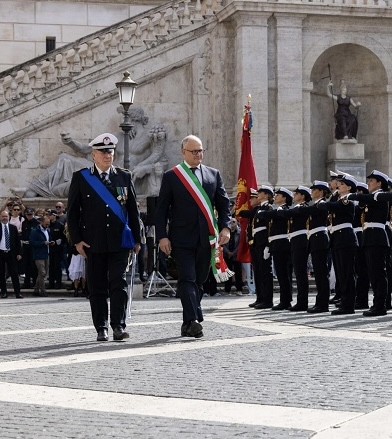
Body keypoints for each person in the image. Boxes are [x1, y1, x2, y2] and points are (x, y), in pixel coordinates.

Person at [155, 134, 231, 338]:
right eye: (194, 151)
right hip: (181, 238)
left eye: (201, 150)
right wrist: (162, 236)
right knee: (187, 278)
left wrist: (226, 228)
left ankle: (188, 322)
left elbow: (224, 205)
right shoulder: (172, 176)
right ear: (183, 153)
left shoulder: (213, 174)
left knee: (199, 280)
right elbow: (161, 209)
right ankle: (194, 320)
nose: (199, 155)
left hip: (207, 238)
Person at [67, 132, 141, 342]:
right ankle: (101, 327)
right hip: (94, 241)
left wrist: (137, 239)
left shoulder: (124, 177)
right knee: (97, 285)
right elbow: (73, 212)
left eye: (110, 151)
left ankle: (118, 325)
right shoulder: (81, 178)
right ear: (93, 155)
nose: (108, 155)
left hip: (120, 241)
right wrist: (77, 240)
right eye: (103, 152)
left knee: (119, 282)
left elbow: (133, 210)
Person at [348, 170, 390, 316]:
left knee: (378, 273)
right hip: (369, 237)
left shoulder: (379, 196)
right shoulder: (372, 197)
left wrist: (353, 195)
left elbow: (367, 198)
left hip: (377, 237)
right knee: (373, 273)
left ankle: (380, 305)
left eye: (372, 181)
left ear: (379, 183)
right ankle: (376, 304)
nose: (368, 183)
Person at [319, 175, 358, 314]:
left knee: (347, 273)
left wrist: (324, 204)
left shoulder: (348, 200)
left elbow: (336, 206)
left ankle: (348, 305)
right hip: (337, 238)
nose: (338, 186)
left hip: (345, 238)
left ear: (348, 187)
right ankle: (344, 302)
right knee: (341, 274)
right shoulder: (339, 199)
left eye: (342, 184)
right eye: (339, 184)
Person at [240, 187, 274, 310]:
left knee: (265, 272)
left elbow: (269, 229)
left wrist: (268, 245)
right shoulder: (259, 209)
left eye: (260, 193)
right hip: (256, 243)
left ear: (266, 195)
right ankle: (260, 298)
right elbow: (244, 214)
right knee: (258, 272)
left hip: (263, 243)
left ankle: (267, 300)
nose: (257, 195)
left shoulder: (268, 209)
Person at [0, 211, 23, 299]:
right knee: (1, 274)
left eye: (6, 216)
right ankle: (4, 293)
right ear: (0, 217)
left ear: (9, 217)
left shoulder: (13, 228)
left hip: (11, 253)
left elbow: (18, 242)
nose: (4, 218)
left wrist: (19, 253)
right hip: (1, 253)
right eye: (3, 216)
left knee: (14, 273)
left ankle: (18, 293)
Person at [30, 215, 52, 297]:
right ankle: (42, 291)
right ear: (42, 222)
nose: (47, 226)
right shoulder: (35, 231)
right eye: (46, 224)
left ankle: (36, 289)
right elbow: (32, 242)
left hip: (46, 253)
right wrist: (43, 243)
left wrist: (51, 242)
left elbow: (49, 239)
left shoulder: (48, 230)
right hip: (38, 254)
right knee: (42, 273)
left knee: (43, 273)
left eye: (48, 224)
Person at [222, 217, 243, 295]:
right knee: (227, 272)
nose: (232, 223)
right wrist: (227, 252)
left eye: (234, 222)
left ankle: (239, 289)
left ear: (237, 222)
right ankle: (227, 290)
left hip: (236, 255)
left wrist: (234, 253)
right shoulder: (225, 231)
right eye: (230, 222)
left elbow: (240, 244)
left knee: (238, 272)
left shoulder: (240, 232)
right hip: (227, 254)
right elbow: (222, 243)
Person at [20, 207, 39, 289]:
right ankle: (26, 282)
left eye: (31, 214)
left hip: (33, 247)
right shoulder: (24, 223)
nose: (29, 216)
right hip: (26, 246)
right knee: (26, 265)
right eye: (28, 215)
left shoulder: (37, 223)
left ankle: (35, 282)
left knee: (34, 266)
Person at [48, 210, 65, 289]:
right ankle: (51, 283)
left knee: (57, 267)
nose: (49, 216)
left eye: (51, 215)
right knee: (50, 267)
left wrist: (56, 242)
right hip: (49, 249)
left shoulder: (60, 225)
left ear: (54, 215)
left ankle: (58, 283)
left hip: (57, 249)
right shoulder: (47, 225)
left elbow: (63, 238)